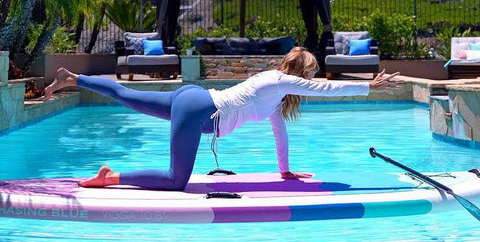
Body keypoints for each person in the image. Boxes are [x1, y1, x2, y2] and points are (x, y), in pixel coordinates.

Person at [44, 47, 399, 190]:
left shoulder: (274, 91)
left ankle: (74, 78)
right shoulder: (281, 81)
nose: (308, 80)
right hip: (201, 111)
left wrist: (285, 170)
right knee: (174, 180)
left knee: (131, 97)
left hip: (195, 98)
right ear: (301, 72)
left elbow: (280, 134)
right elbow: (325, 90)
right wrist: (369, 86)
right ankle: (111, 177)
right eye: (309, 73)